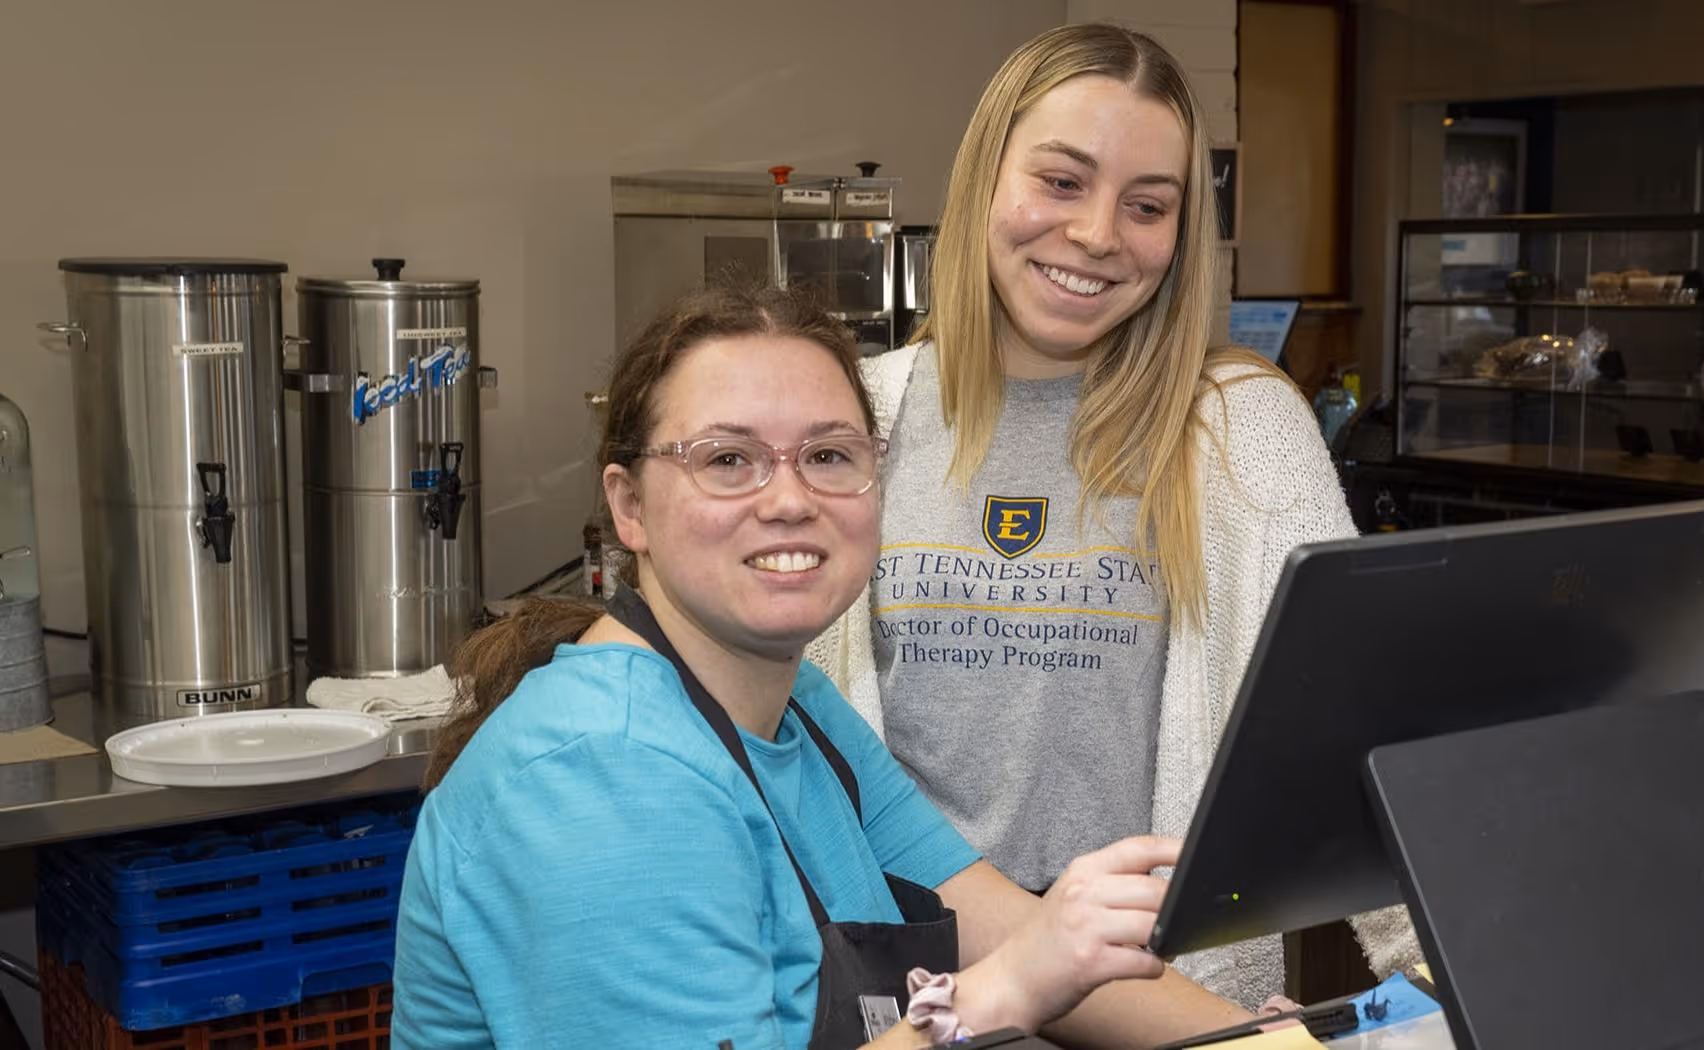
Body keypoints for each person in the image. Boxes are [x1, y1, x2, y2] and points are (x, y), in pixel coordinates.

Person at [390, 284, 1259, 1049]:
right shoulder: (602, 777)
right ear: (629, 507)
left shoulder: (793, 703)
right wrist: (1011, 991)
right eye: (728, 460)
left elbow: (998, 927)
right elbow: (1018, 966)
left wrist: (1273, 1043)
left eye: (829, 455)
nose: (791, 499)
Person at [804, 24, 1420, 1002]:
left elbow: (1357, 711)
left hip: (1158, 995)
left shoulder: (1234, 430)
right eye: (1060, 182)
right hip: (906, 995)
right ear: (982, 182)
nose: (1096, 233)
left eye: (1146, 205)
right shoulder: (856, 418)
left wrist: (1437, 961)